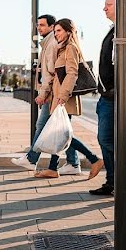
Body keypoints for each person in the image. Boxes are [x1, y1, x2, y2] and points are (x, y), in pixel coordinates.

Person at [35, 19, 104, 181]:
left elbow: (72, 73)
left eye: (59, 31)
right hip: (59, 97)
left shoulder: (70, 49)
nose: (56, 34)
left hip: (63, 98)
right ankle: (53, 168)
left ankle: (94, 159)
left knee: (62, 134)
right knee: (59, 133)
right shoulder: (61, 48)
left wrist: (62, 97)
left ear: (68, 32)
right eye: (55, 31)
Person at [11, 14, 79, 174]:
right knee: (59, 128)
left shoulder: (52, 45)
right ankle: (72, 163)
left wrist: (44, 94)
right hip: (55, 93)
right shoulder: (51, 43)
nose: (39, 28)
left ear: (51, 26)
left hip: (55, 93)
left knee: (47, 127)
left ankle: (32, 159)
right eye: (38, 25)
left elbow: (50, 73)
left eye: (42, 25)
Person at [90, 0, 117, 196]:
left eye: (108, 5)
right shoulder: (113, 30)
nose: (104, 9)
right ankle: (113, 180)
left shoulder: (123, 31)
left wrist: (113, 90)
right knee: (106, 139)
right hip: (107, 96)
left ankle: (118, 179)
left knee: (107, 138)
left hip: (113, 96)